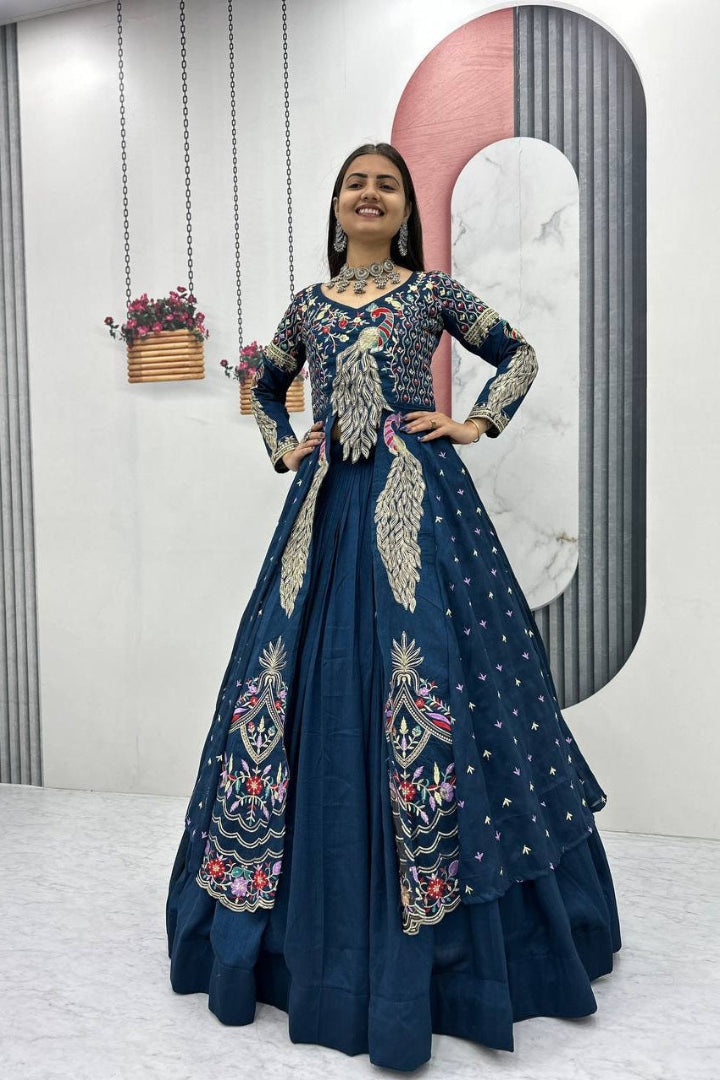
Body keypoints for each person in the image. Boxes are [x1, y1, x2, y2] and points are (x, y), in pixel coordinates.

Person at [166, 142, 621, 1071]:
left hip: (425, 499)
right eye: (354, 184)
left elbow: (519, 353)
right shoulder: (307, 306)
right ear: (336, 208)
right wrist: (282, 442)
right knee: (290, 685)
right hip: (328, 506)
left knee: (442, 686)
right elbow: (262, 383)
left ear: (405, 209)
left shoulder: (434, 293)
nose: (369, 196)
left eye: (386, 185)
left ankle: (461, 951)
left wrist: (476, 421)